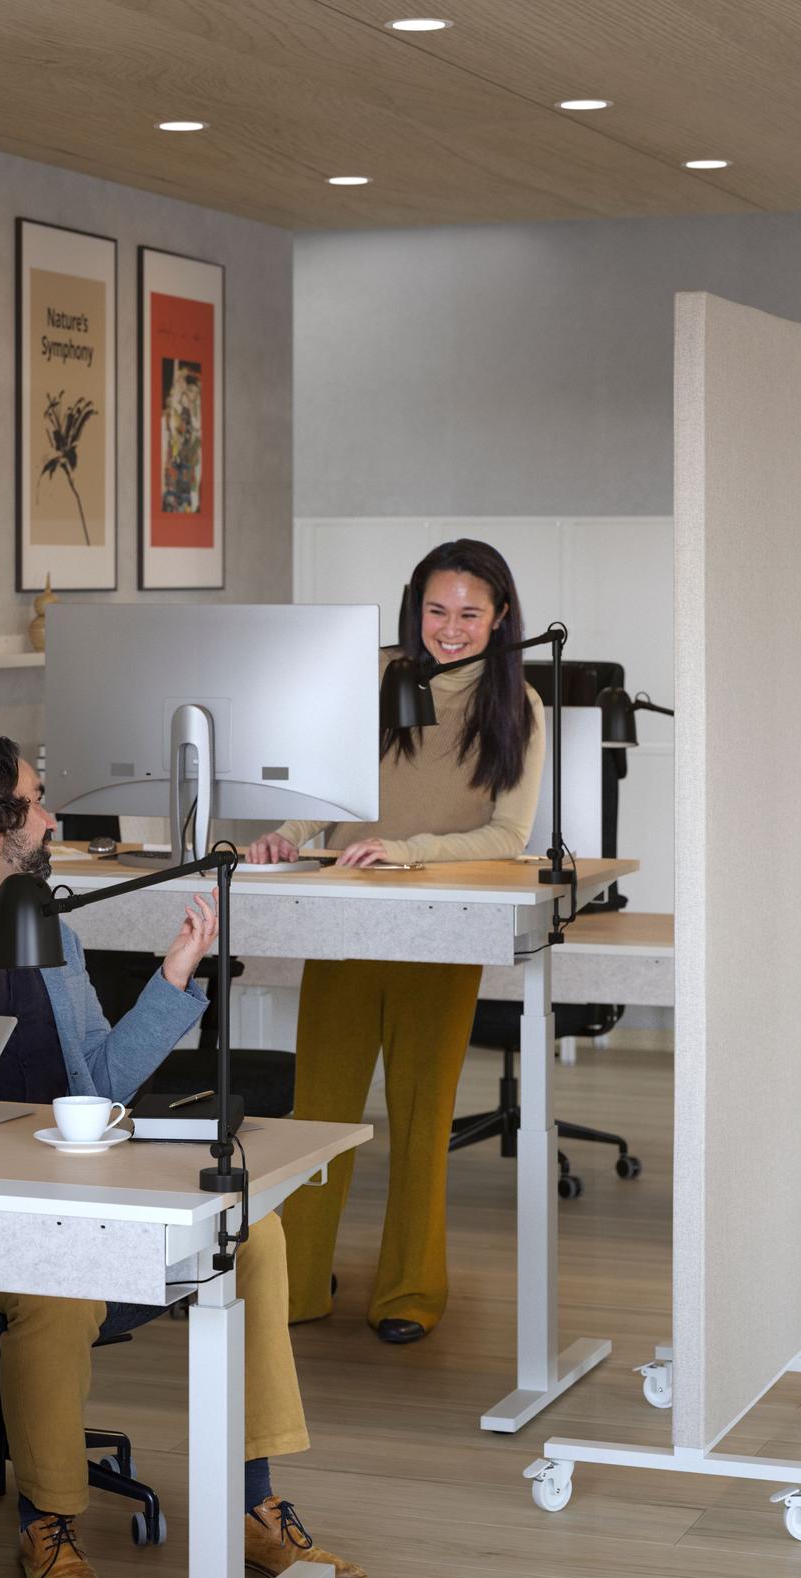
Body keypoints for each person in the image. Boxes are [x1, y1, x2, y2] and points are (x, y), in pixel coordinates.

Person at [0, 736, 366, 1578]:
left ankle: (253, 1502)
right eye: (34, 802)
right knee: (58, 1289)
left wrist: (174, 975)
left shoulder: (52, 935)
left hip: (70, 1186)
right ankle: (51, 1524)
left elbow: (101, 1086)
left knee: (249, 1235)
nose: (50, 818)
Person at [249, 539, 545, 1343]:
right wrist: (283, 835)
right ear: (416, 608)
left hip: (439, 929)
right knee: (319, 1116)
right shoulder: (374, 677)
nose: (450, 629)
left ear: (501, 618)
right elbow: (322, 788)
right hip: (342, 920)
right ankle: (297, 1284)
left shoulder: (519, 707)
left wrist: (411, 850)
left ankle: (411, 1293)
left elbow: (507, 835)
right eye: (436, 611)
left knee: (423, 1117)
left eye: (469, 613)